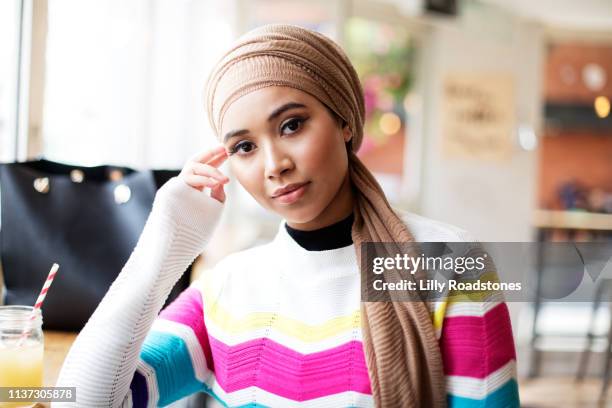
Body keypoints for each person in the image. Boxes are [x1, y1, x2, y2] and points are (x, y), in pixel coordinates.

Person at [55, 24, 519, 407]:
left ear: (345, 121)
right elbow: (77, 400)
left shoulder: (451, 263)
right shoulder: (227, 290)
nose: (274, 163)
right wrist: (164, 246)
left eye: (292, 125)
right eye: (244, 147)